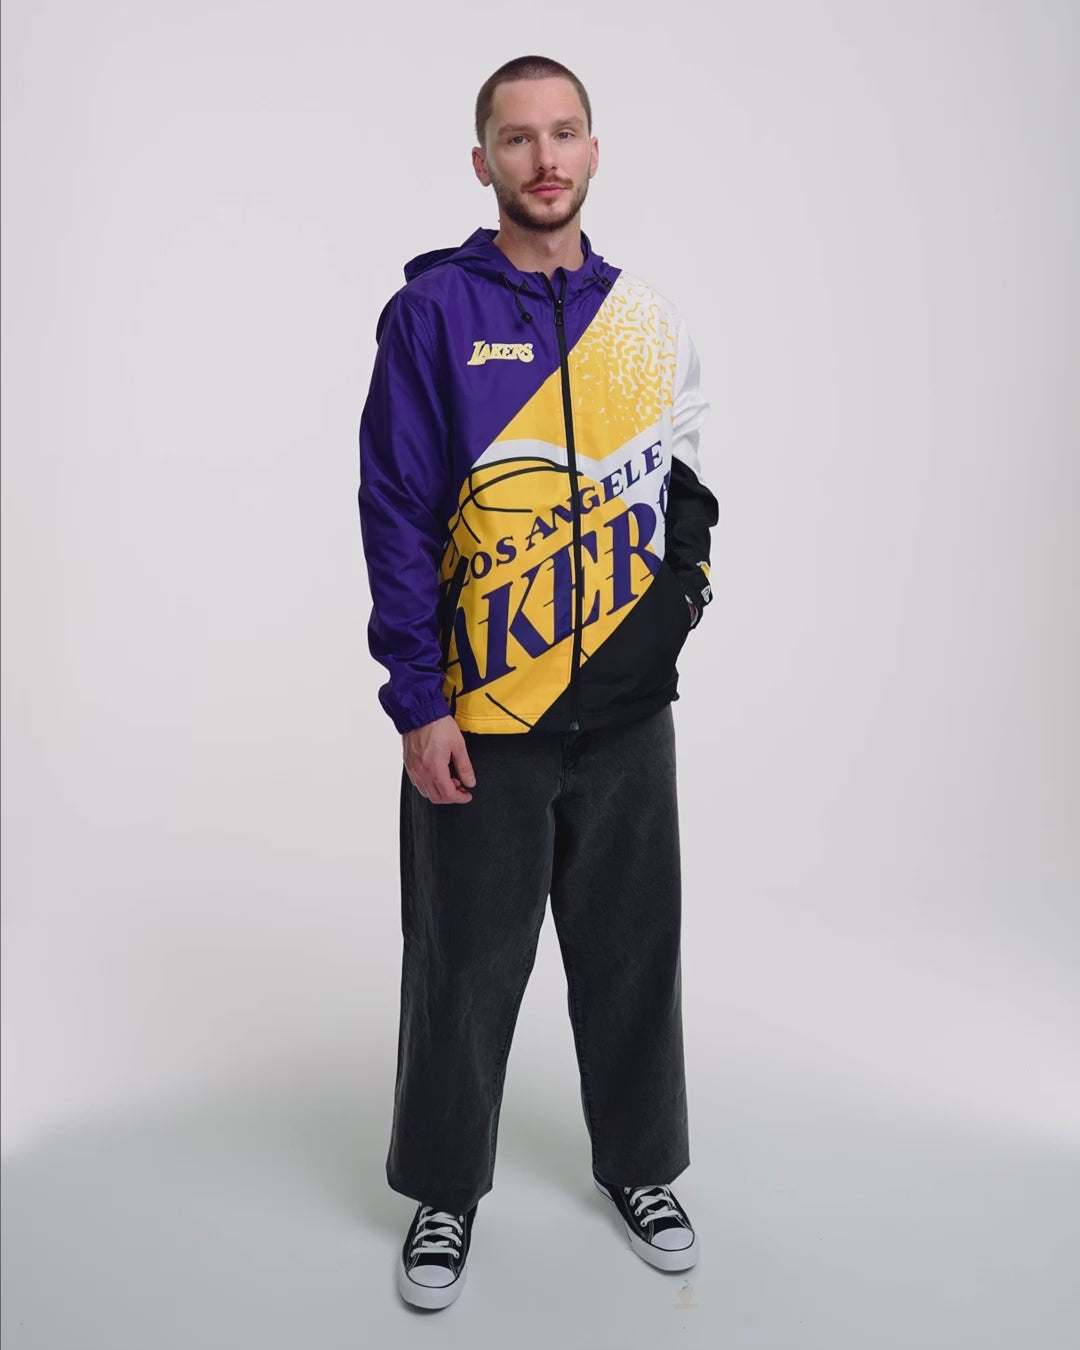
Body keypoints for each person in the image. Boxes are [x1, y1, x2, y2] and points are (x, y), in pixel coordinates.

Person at [357, 53, 720, 1310]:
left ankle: (641, 1167)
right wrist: (418, 700)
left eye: (564, 133)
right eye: (518, 138)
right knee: (462, 964)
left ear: (594, 152)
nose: (544, 158)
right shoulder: (432, 316)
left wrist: (677, 613)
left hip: (624, 716)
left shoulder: (644, 324)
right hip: (483, 714)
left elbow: (685, 492)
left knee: (634, 954)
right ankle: (444, 1191)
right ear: (484, 163)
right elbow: (397, 512)